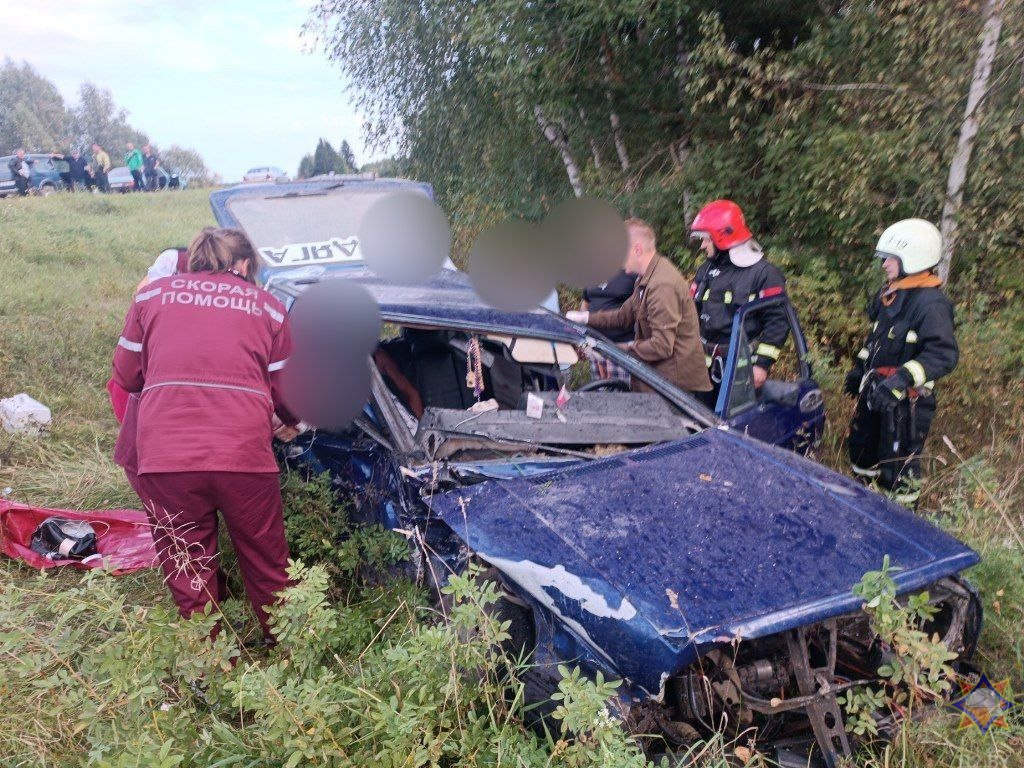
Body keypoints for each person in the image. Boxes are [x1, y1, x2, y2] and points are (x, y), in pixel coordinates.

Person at [111, 227, 300, 641]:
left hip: (165, 456)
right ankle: (289, 652)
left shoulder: (150, 297)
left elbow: (126, 375)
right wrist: (291, 421)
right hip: (244, 456)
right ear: (246, 264)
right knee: (267, 559)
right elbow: (289, 396)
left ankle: (214, 669)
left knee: (187, 565)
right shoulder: (268, 307)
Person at [844, 219, 958, 507]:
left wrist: (901, 379)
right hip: (876, 394)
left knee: (898, 472)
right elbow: (875, 342)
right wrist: (860, 371)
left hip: (907, 406)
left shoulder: (930, 304)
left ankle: (900, 528)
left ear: (914, 258)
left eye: (890, 259)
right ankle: (862, 510)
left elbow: (942, 355)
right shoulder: (893, 295)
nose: (884, 265)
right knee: (861, 455)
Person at [566, 218, 711, 396]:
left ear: (637, 250)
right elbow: (623, 316)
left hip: (673, 386)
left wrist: (612, 350)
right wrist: (585, 318)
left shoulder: (661, 284)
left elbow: (661, 346)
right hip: (657, 379)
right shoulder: (646, 277)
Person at [688, 200, 789, 407]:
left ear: (722, 237)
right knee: (701, 425)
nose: (702, 245)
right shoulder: (706, 270)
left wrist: (762, 365)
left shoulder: (764, 274)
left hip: (740, 371)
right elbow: (690, 311)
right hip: (703, 368)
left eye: (706, 239)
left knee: (733, 429)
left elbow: (778, 322)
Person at [581, 267, 637, 382]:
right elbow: (585, 303)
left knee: (625, 394)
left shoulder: (632, 272)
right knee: (601, 394)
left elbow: (640, 308)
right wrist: (583, 333)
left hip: (622, 349)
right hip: (595, 347)